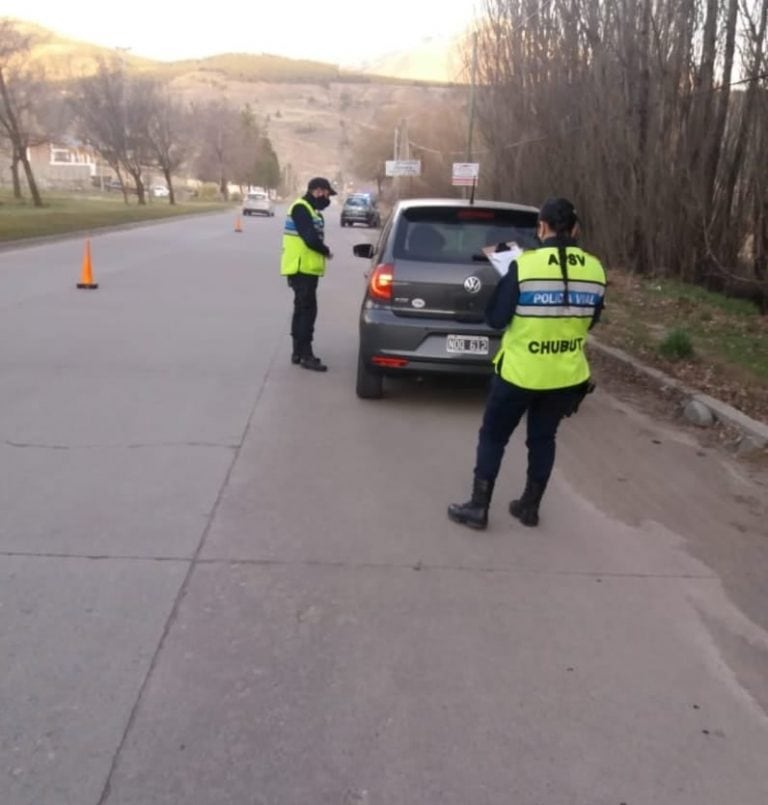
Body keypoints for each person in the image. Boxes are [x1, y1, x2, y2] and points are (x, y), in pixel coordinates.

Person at [447, 198, 607, 530]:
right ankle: (529, 508)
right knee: (543, 439)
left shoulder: (525, 265)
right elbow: (591, 321)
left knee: (493, 437)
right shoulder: (595, 268)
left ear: (543, 227)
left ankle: (478, 508)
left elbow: (495, 319)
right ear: (576, 229)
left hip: (519, 373)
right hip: (565, 376)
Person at [280, 177, 337, 371]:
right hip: (301, 267)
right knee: (307, 311)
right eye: (327, 194)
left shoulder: (310, 210)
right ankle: (306, 354)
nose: (327, 199)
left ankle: (297, 352)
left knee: (301, 309)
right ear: (318, 191)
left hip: (304, 268)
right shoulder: (301, 208)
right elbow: (310, 238)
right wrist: (326, 250)